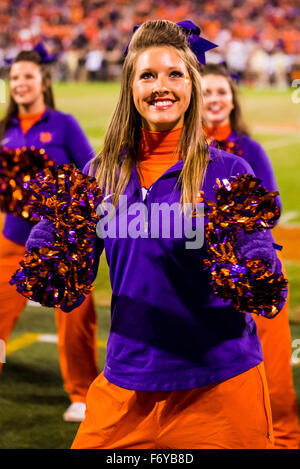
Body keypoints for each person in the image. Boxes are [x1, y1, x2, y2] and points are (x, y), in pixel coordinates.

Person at [27, 20, 286, 449]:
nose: (160, 86)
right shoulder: (101, 173)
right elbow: (70, 277)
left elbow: (254, 254)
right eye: (147, 75)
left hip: (219, 385)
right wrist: (50, 256)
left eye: (174, 74)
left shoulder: (227, 171)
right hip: (126, 381)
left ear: (192, 85)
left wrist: (255, 266)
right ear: (130, 87)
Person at [201, 63, 299, 449]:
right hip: (202, 276)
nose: (214, 99)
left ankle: (286, 438)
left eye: (221, 92)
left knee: (273, 364)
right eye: (206, 91)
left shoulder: (249, 149)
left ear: (232, 99)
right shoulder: (181, 149)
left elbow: (270, 211)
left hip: (251, 269)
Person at [0, 46, 99, 422]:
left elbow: (91, 175)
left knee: (74, 320)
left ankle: (81, 393)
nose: (21, 83)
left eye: (28, 76)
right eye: (16, 78)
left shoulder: (63, 124)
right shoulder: (5, 130)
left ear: (43, 81)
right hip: (12, 240)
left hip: (62, 243)